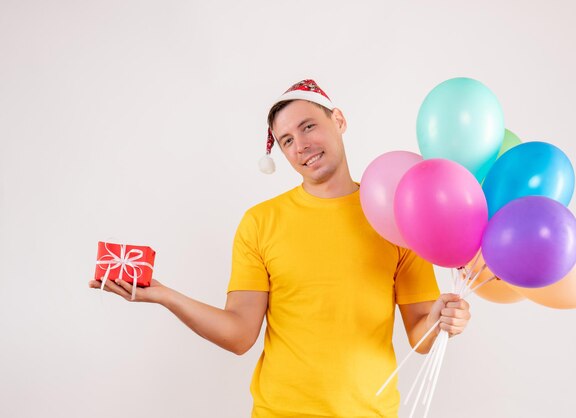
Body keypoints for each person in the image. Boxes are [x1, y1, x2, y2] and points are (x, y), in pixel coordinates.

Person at [89, 79, 471, 417]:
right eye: (287, 140)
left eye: (309, 127)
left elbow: (419, 337)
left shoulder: (393, 214)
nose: (301, 145)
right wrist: (165, 295)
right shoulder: (260, 222)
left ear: (338, 120)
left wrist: (441, 321)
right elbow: (240, 335)